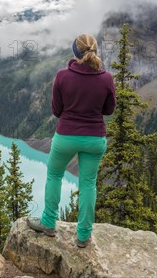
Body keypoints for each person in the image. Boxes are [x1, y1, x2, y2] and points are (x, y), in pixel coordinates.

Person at [26, 33, 116, 248]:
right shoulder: (106, 79)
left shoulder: (62, 76)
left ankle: (48, 223)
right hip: (95, 139)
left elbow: (57, 111)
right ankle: (83, 236)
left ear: (75, 53)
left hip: (66, 136)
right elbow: (109, 109)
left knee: (54, 175)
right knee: (88, 184)